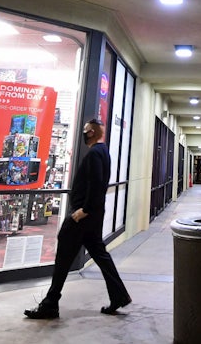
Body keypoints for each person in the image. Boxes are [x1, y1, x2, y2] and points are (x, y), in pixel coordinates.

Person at [24, 118, 132, 319]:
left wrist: (85, 210)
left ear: (91, 132)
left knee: (64, 253)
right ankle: (119, 296)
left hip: (82, 216)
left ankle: (50, 303)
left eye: (85, 130)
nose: (83, 133)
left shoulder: (94, 154)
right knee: (99, 254)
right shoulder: (103, 152)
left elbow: (96, 184)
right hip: (92, 216)